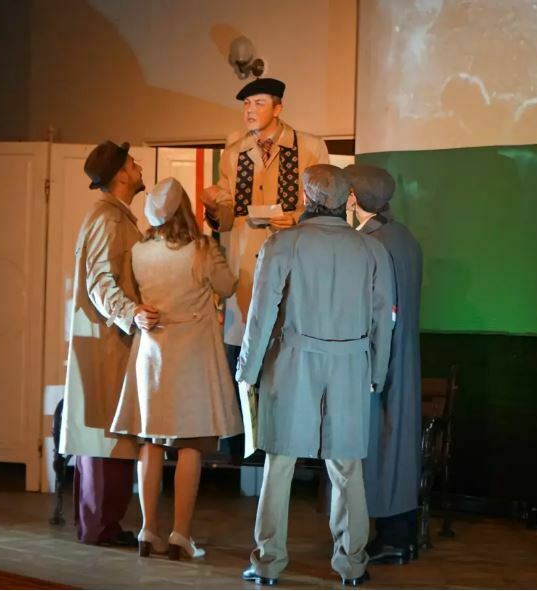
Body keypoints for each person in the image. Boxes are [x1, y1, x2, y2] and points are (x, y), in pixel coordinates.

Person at [236, 164, 395, 587]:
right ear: (347, 200)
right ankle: (352, 565)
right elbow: (384, 320)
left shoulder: (282, 244)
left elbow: (261, 314)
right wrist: (378, 371)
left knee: (279, 464)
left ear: (307, 198)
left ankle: (268, 563)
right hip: (351, 365)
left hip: (293, 361)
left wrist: (247, 369)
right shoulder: (372, 250)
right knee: (347, 467)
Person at [110, 178, 243, 559]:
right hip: (193, 354)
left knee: (151, 442)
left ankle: (148, 529)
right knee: (190, 444)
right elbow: (227, 286)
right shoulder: (201, 249)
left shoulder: (139, 251)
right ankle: (181, 533)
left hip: (152, 352)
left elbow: (133, 296)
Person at [199, 78, 330, 457]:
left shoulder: (309, 146)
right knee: (245, 352)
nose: (250, 110)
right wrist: (213, 206)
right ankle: (245, 444)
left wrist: (299, 217)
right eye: (246, 104)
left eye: (258, 103)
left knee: (286, 350)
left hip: (291, 261)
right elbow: (226, 218)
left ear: (278, 107)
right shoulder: (234, 153)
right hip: (247, 268)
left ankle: (293, 440)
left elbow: (325, 202)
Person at [60, 140, 158, 546]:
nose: (138, 168)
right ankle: (100, 526)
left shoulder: (116, 217)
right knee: (104, 433)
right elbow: (100, 280)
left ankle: (103, 524)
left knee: (109, 431)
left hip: (112, 338)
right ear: (121, 174)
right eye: (133, 163)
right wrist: (130, 312)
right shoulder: (106, 219)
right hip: (107, 339)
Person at [346, 164, 424, 565]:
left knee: (382, 447)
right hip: (402, 354)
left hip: (379, 359)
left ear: (354, 197)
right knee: (397, 446)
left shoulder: (371, 242)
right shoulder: (404, 237)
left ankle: (391, 537)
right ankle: (400, 535)